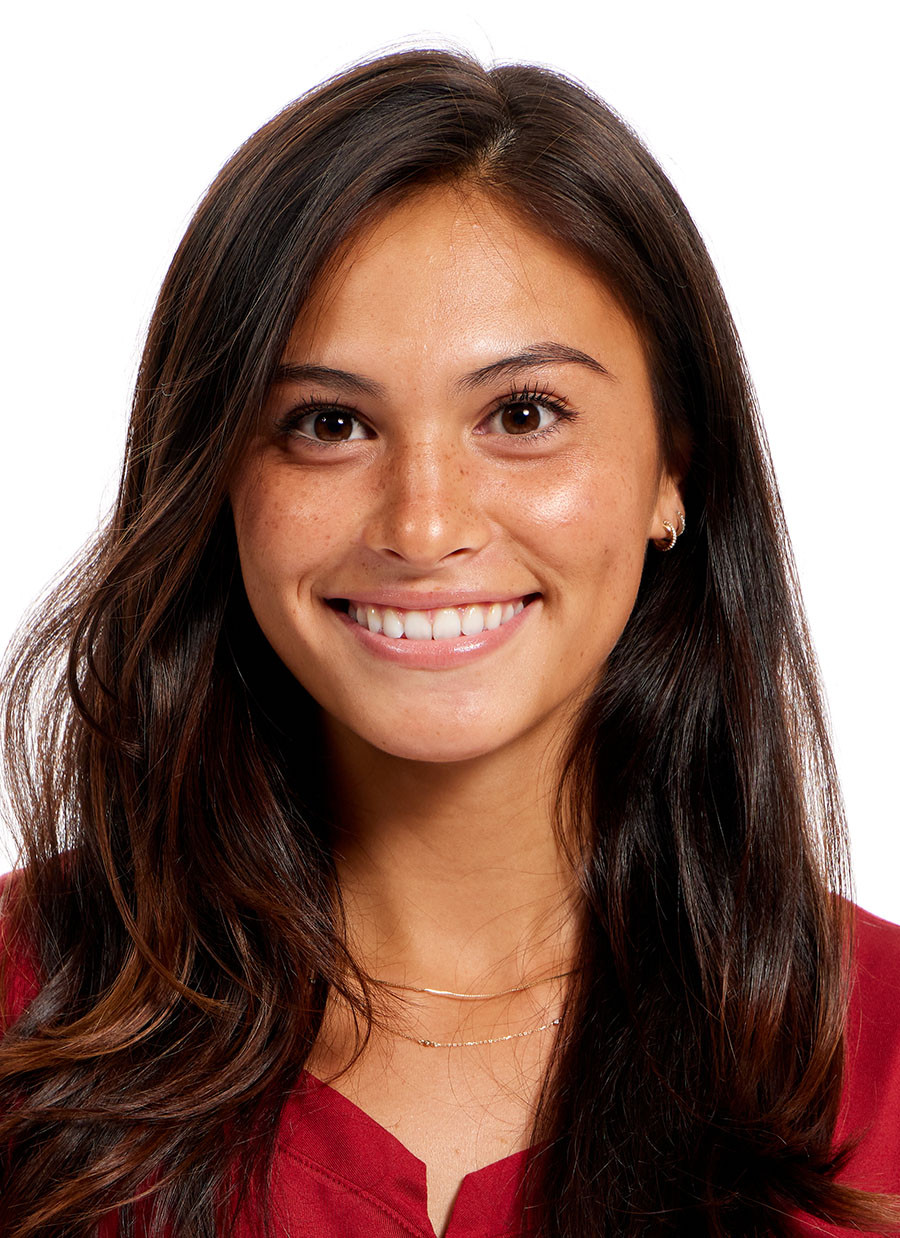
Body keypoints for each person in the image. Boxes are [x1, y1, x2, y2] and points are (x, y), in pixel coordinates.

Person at [1, 45, 898, 1238]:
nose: (423, 526)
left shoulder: (883, 1049)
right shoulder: (24, 1009)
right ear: (217, 476)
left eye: (523, 414)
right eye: (329, 423)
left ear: (673, 465)